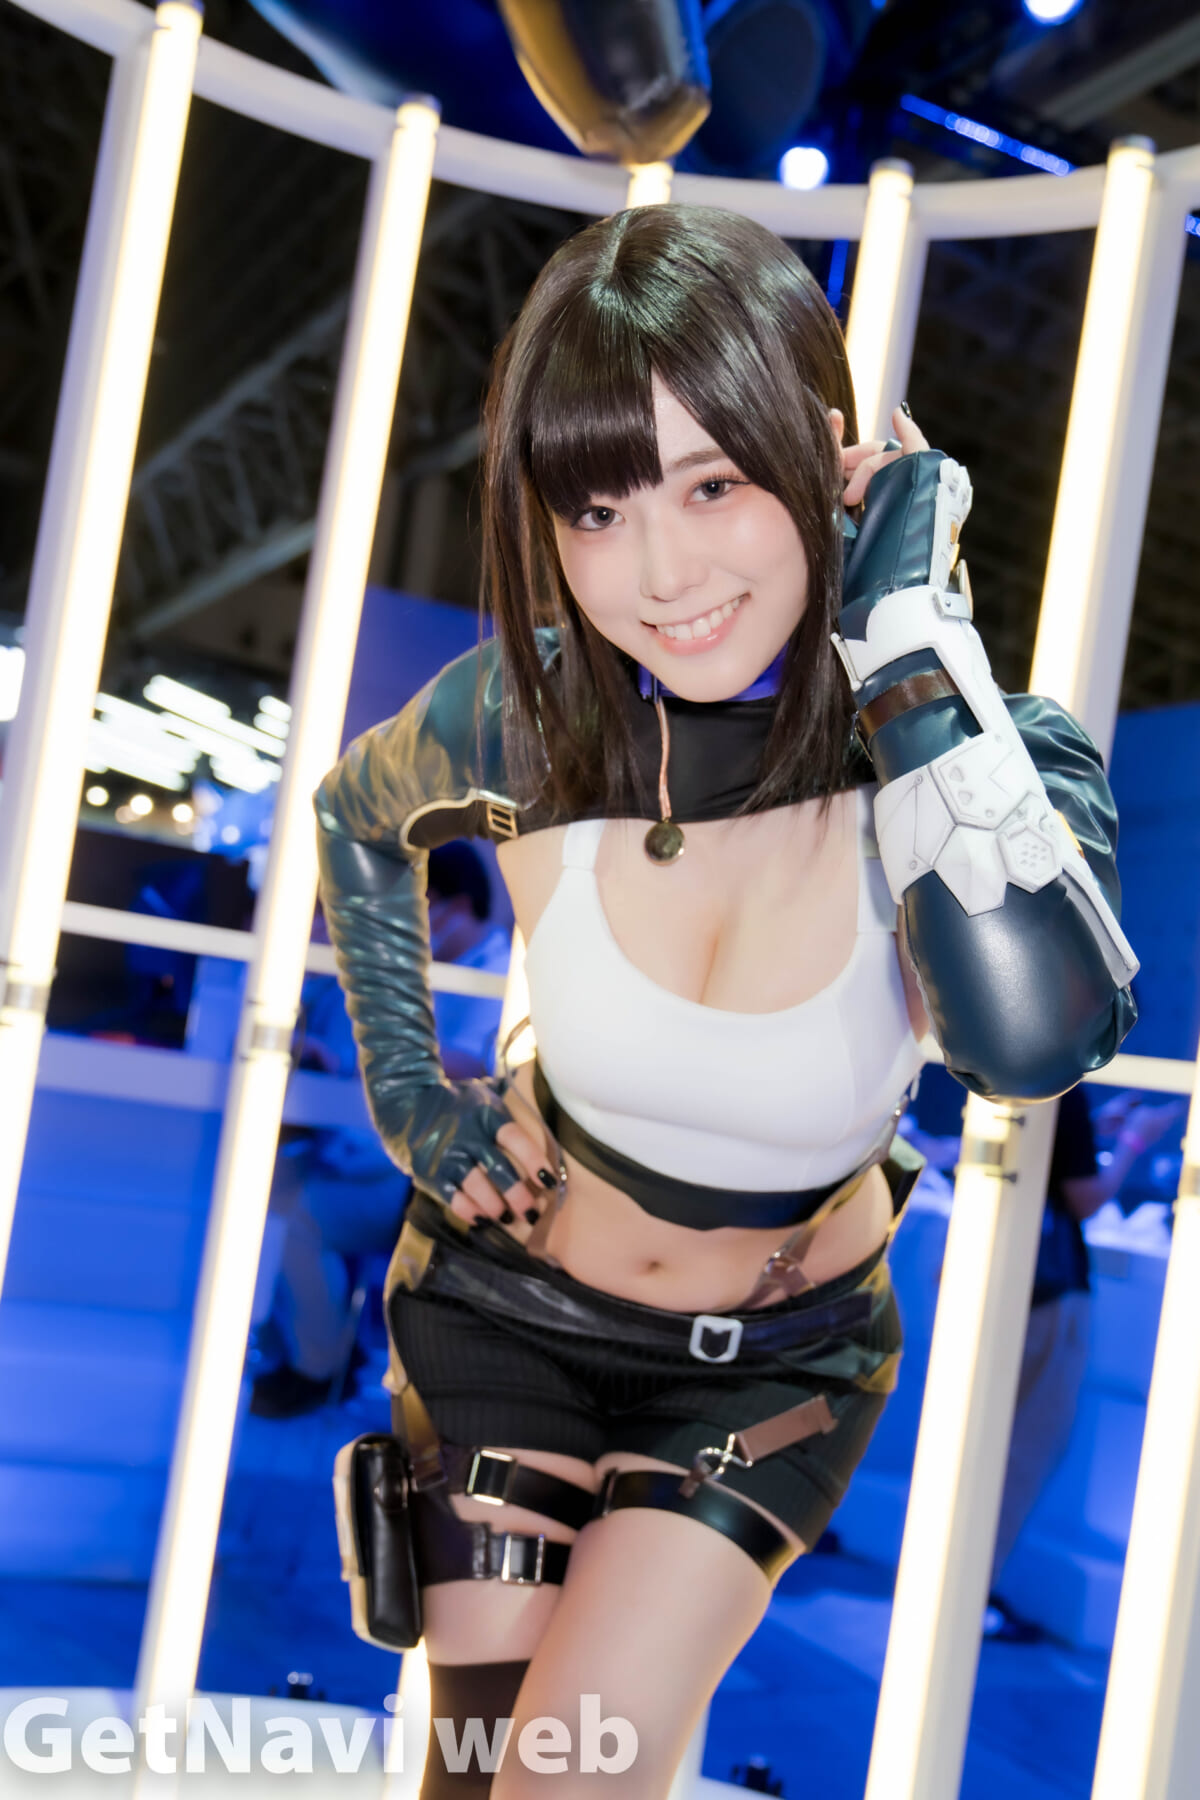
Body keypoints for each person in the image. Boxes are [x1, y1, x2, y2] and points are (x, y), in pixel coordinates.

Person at [313, 204, 1137, 1798]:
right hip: (505, 1313)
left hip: (765, 1375)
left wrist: (908, 639)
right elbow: (356, 817)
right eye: (600, 508)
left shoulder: (977, 759)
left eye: (715, 485)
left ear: (823, 460)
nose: (665, 574)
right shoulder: (535, 716)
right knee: (475, 1778)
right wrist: (409, 1092)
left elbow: (1032, 1043)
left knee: (571, 1779)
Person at [250, 845, 511, 1418]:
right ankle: (298, 1343)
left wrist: (373, 1045)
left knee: (301, 1219)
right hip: (372, 1154)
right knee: (266, 1193)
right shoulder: (433, 970)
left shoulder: (496, 977)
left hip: (424, 1179)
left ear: (456, 904)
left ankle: (319, 1366)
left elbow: (469, 1065)